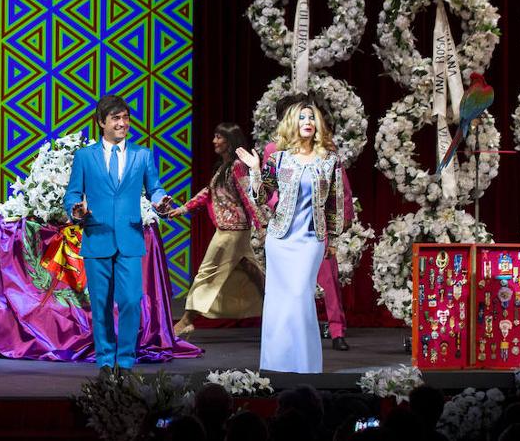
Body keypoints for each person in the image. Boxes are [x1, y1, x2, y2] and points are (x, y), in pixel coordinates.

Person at [63, 95, 172, 375]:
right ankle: (105, 360)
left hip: (130, 239)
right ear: (101, 122)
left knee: (130, 301)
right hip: (97, 236)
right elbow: (73, 193)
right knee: (99, 305)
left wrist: (160, 201)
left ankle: (125, 360)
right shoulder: (85, 157)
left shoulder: (142, 155)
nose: (122, 123)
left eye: (125, 118)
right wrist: (76, 209)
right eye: (116, 118)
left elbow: (154, 187)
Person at [246, 93, 351, 373]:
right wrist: (256, 171)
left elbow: (334, 204)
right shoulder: (279, 159)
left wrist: (333, 240)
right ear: (292, 123)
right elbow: (261, 197)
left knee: (299, 296)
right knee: (279, 301)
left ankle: (305, 365)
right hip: (280, 240)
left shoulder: (329, 161)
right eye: (302, 117)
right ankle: (275, 364)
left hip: (310, 241)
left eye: (311, 118)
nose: (308, 122)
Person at [168, 122, 264, 338]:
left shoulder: (238, 166)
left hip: (232, 231)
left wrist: (262, 225)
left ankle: (186, 321)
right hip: (231, 230)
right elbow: (207, 193)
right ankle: (278, 313)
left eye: (219, 137)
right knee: (253, 274)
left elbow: (249, 197)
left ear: (229, 141)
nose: (214, 141)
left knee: (207, 273)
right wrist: (183, 209)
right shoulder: (224, 167)